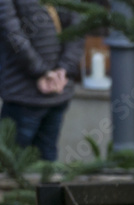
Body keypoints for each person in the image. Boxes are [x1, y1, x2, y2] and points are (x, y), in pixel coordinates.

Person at [0, 1, 83, 161]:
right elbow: (12, 33)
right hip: (27, 92)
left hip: (42, 93)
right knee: (24, 164)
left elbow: (77, 27)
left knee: (13, 165)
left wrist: (61, 70)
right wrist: (44, 72)